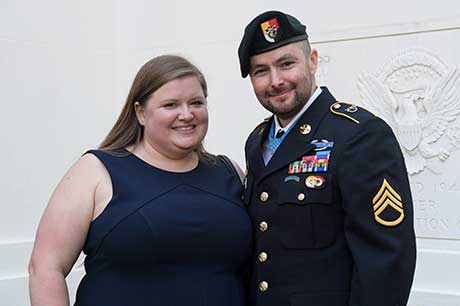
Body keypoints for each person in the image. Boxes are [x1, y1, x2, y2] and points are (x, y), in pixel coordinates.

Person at [28, 55, 252, 306]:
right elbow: (46, 268)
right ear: (140, 113)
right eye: (171, 105)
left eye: (196, 102)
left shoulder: (229, 172)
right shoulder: (96, 171)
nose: (187, 114)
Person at [238, 10, 416, 306]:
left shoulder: (359, 136)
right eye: (261, 71)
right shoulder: (257, 142)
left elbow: (387, 261)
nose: (276, 80)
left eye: (287, 64)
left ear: (313, 60)